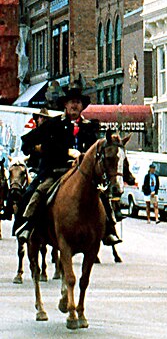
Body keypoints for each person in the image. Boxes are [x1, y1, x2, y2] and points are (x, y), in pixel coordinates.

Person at [15, 86, 122, 247]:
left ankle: (109, 229)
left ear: (82, 106)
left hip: (85, 173)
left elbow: (97, 149)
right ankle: (27, 226)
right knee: (37, 192)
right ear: (65, 105)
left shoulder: (89, 126)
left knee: (102, 196)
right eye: (71, 102)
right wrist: (65, 152)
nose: (74, 105)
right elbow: (27, 142)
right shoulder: (54, 124)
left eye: (78, 102)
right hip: (57, 171)